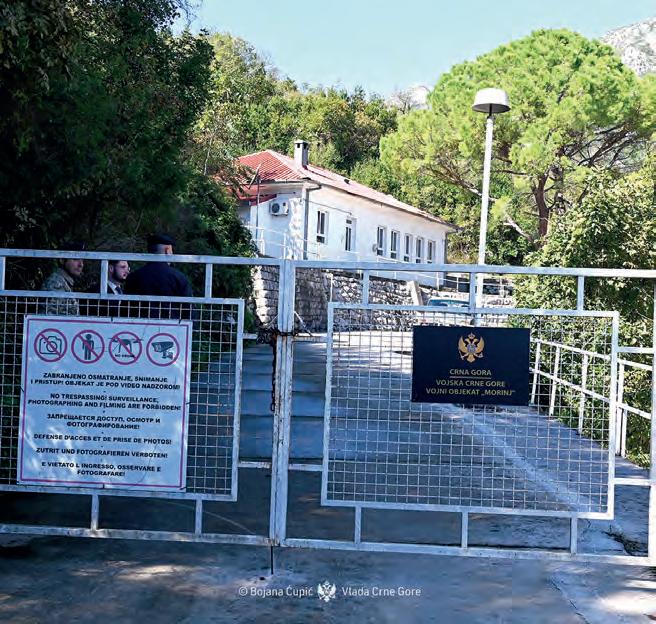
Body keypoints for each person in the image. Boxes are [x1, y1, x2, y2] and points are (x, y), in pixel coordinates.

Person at [124, 234, 193, 318]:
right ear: (167, 251)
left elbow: (125, 309)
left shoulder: (133, 277)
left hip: (138, 324)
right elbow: (188, 309)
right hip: (171, 325)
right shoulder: (178, 277)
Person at [40, 241, 85, 315]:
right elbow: (52, 317)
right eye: (75, 259)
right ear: (62, 260)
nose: (81, 264)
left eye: (82, 260)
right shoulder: (56, 283)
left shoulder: (64, 282)